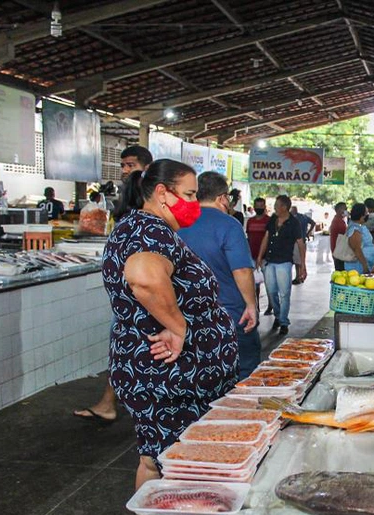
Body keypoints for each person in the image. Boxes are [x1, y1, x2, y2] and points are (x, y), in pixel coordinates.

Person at [104, 159, 239, 488]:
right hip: (168, 373)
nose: (195, 204)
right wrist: (179, 328)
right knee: (167, 462)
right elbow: (144, 278)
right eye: (190, 195)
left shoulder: (143, 227)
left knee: (161, 458)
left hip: (173, 373)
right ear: (162, 193)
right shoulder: (148, 230)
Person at [74, 144, 152, 423]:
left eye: (130, 164)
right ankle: (116, 404)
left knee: (126, 351)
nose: (125, 170)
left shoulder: (139, 218)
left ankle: (117, 404)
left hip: (134, 300)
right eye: (123, 166)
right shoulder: (137, 219)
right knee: (126, 352)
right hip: (133, 300)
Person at [179, 172, 260, 379]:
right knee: (244, 371)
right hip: (229, 314)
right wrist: (251, 305)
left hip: (187, 314)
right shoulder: (229, 225)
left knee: (199, 374)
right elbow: (241, 269)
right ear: (222, 198)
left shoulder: (179, 223)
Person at [257, 195, 305, 337]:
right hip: (270, 260)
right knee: (271, 292)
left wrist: (302, 265)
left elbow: (300, 243)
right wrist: (260, 256)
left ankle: (283, 322)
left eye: (277, 205)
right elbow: (266, 237)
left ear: (284, 207)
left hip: (284, 262)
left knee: (284, 293)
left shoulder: (293, 223)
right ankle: (278, 315)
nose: (275, 208)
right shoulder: (273, 219)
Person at [246, 197, 272, 316]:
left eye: (261, 206)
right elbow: (248, 237)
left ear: (265, 206)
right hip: (252, 255)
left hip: (266, 257)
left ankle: (270, 305)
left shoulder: (269, 220)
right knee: (253, 283)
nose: (259, 208)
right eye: (257, 206)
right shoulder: (250, 221)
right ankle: (255, 305)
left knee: (268, 283)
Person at [345, 202, 374, 274]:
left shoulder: (359, 226)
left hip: (364, 265)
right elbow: (357, 250)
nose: (367, 215)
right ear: (361, 215)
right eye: (366, 213)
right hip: (358, 267)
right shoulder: (354, 229)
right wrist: (365, 267)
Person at [330, 201, 348, 271]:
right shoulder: (338, 222)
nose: (346, 210)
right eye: (345, 209)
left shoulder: (339, 220)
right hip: (338, 251)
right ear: (339, 210)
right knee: (340, 272)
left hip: (337, 250)